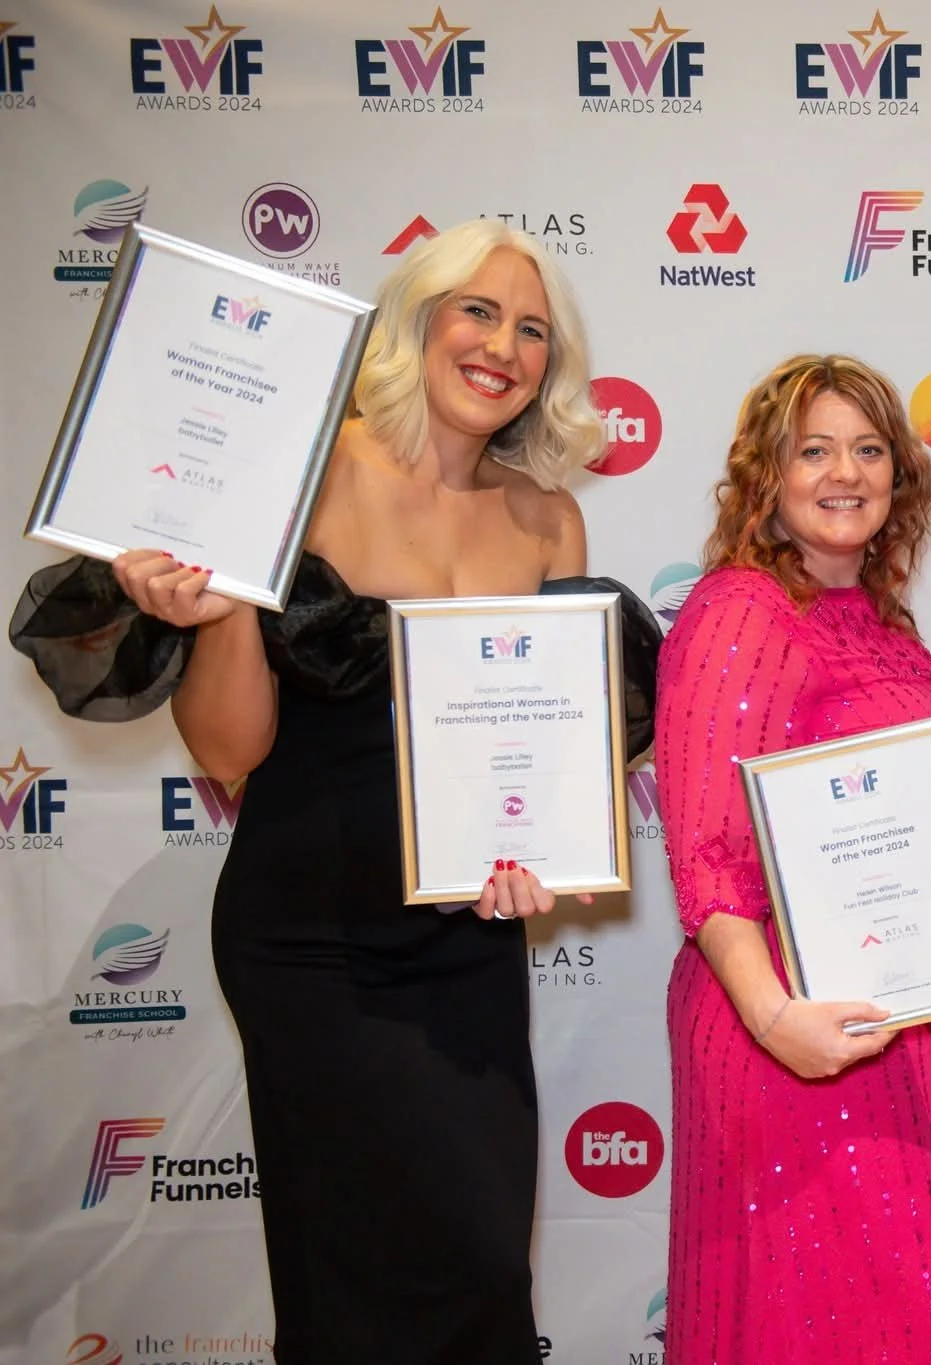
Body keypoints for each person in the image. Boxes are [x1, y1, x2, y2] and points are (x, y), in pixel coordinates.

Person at [11, 219, 657, 1364]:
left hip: (463, 947)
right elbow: (230, 751)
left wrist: (535, 867)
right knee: (348, 1277)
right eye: (478, 311)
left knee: (477, 1258)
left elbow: (546, 760)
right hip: (312, 936)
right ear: (417, 319)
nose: (501, 345)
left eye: (531, 331)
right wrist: (216, 619)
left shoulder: (547, 518)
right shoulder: (300, 474)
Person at [655, 354, 931, 1365]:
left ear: (900, 478)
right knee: (799, 1318)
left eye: (867, 450)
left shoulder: (882, 624)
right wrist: (776, 1021)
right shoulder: (737, 613)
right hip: (785, 1037)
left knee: (896, 1315)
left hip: (907, 1033)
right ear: (767, 476)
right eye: (813, 450)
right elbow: (708, 860)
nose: (843, 472)